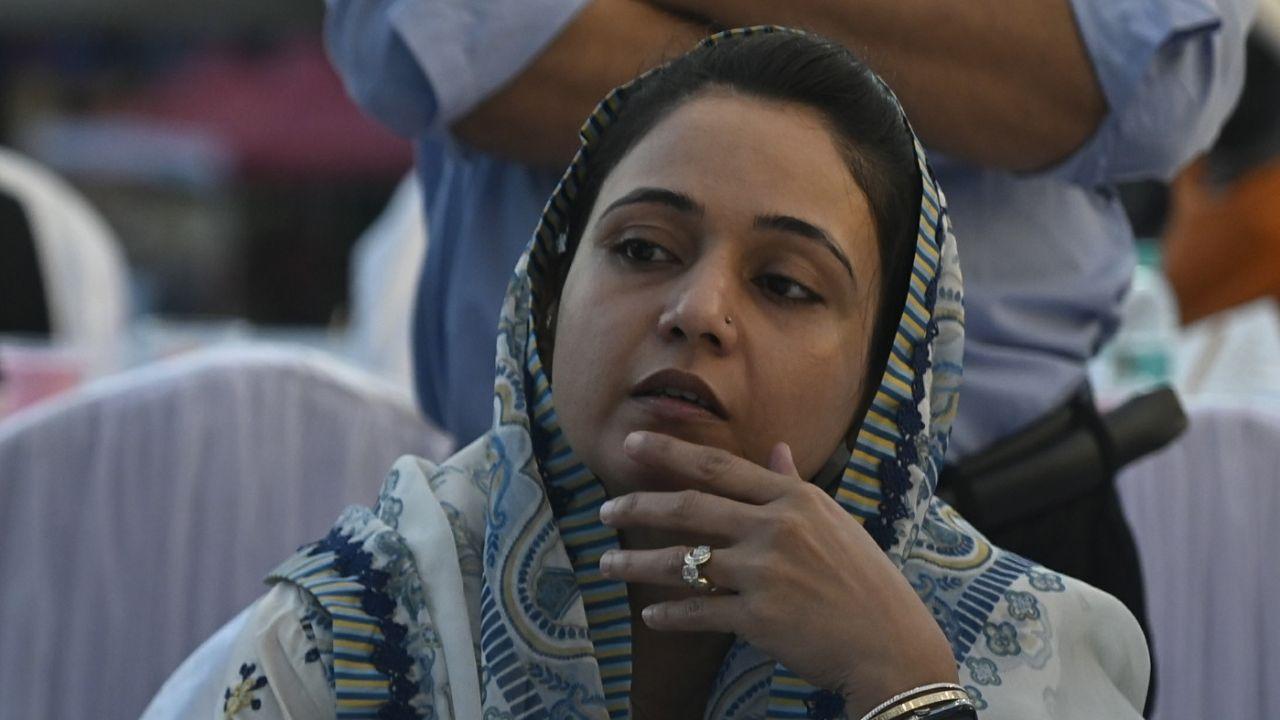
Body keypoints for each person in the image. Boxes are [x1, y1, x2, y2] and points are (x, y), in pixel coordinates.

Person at [209, 29, 1148, 719]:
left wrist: (903, 687)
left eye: (785, 283)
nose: (698, 310)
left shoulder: (1027, 657)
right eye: (643, 248)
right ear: (548, 299)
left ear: (884, 380)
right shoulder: (362, 631)